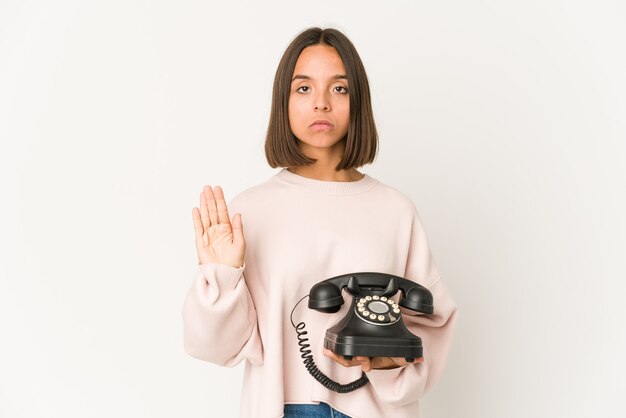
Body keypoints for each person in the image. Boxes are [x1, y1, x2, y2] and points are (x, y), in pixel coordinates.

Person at [182, 27, 457, 418]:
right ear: (284, 102)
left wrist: (388, 363)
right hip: (281, 406)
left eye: (340, 89)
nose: (322, 104)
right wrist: (222, 274)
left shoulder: (396, 210)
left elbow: (432, 324)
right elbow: (213, 347)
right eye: (304, 89)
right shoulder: (249, 212)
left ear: (357, 101)